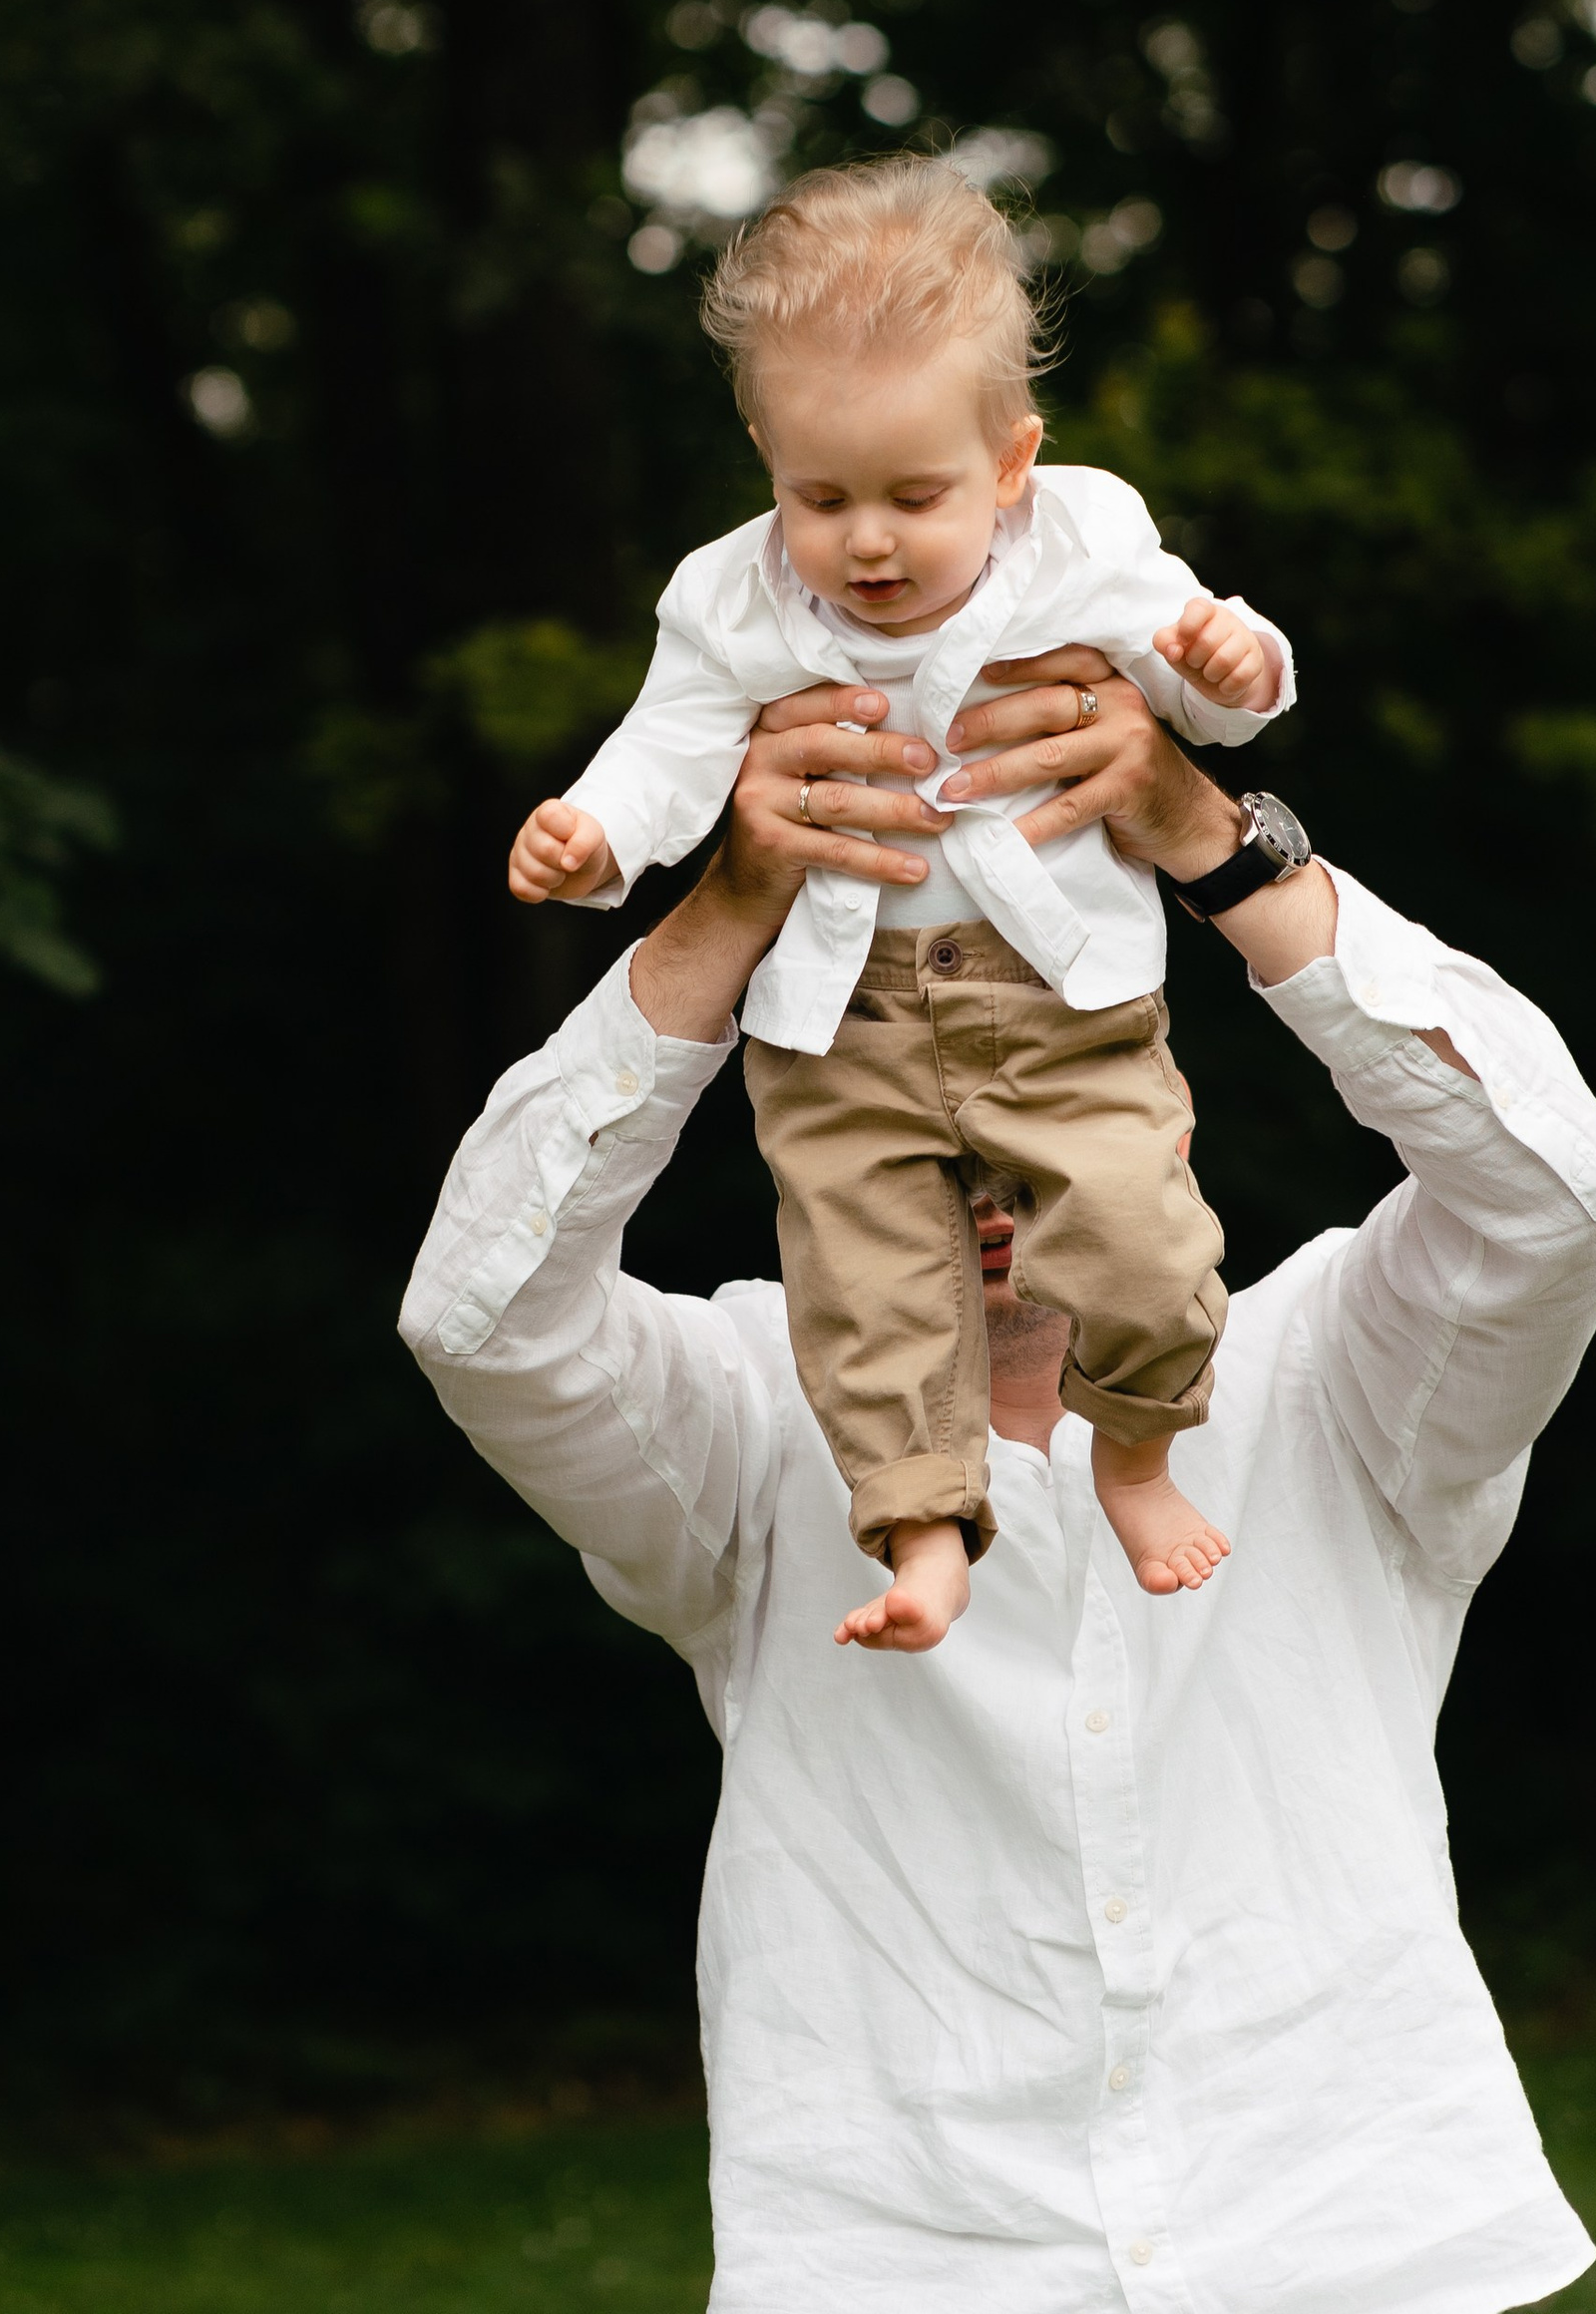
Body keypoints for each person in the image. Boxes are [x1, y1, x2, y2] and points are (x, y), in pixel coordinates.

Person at [407, 662, 1596, 2314]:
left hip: (1357, 2230)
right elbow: (480, 1318)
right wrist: (733, 906)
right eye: (916, 1126)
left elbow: (1555, 1191)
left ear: (1160, 1111)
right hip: (906, 2254)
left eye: (1042, 1092)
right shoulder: (753, 1423)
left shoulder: (1345, 1373)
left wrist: (1208, 839)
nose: (989, 1163)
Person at [508, 159, 1300, 1637]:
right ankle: (924, 1529)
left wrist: (1235, 671)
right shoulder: (732, 597)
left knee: (1140, 1238)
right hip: (839, 1018)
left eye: (914, 496)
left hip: (1058, 993)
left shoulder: (1082, 536)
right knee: (867, 1289)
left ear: (1013, 458)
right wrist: (598, 837)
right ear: (764, 453)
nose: (867, 540)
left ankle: (1133, 1453)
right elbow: (671, 743)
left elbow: (1196, 656)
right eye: (821, 496)